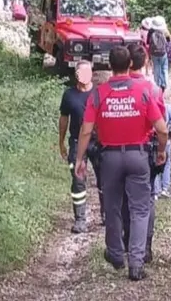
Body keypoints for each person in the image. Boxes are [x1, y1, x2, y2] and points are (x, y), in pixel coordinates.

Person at [74, 46, 168, 281]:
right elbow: (162, 129)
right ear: (129, 65)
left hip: (110, 158)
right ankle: (136, 263)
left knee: (113, 206)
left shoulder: (98, 93)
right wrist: (161, 151)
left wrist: (80, 159)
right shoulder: (144, 90)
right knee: (139, 208)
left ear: (109, 65)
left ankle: (116, 254)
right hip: (138, 155)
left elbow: (86, 131)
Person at [121, 43, 165, 264]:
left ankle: (127, 241)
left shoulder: (116, 87)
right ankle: (144, 246)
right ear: (146, 62)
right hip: (144, 149)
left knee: (123, 198)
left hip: (115, 150)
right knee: (145, 200)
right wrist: (162, 151)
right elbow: (161, 125)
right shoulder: (154, 90)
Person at [58, 61, 103, 233]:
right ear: (76, 75)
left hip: (98, 142)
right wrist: (61, 142)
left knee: (104, 178)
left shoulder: (99, 93)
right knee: (78, 180)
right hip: (77, 142)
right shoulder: (69, 95)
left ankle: (106, 215)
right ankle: (80, 219)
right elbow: (64, 119)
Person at [146, 16, 170, 92]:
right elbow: (169, 41)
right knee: (164, 68)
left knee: (156, 67)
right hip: (163, 52)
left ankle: (157, 84)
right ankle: (164, 84)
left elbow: (147, 42)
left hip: (154, 53)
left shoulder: (151, 31)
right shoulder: (165, 31)